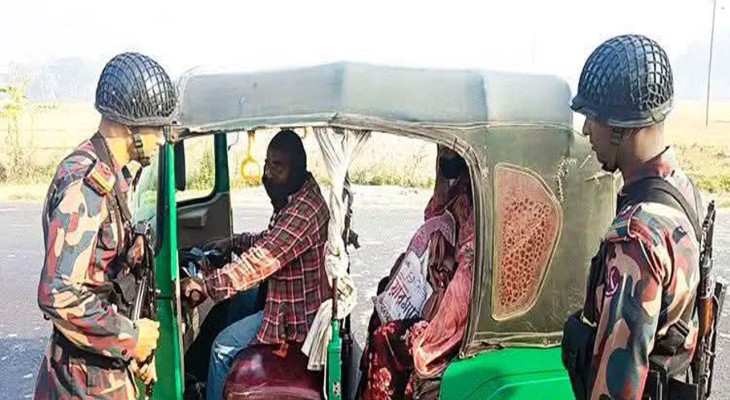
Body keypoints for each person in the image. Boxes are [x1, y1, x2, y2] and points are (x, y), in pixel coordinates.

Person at [562, 34, 704, 400]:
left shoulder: (637, 240)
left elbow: (615, 389)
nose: (586, 130)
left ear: (620, 128)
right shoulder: (683, 190)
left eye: (593, 118)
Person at [33, 52, 177, 400]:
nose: (161, 139)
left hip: (101, 365)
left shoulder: (116, 178)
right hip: (85, 378)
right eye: (155, 128)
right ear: (129, 126)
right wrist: (130, 337)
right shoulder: (87, 184)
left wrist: (134, 351)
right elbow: (58, 293)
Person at [181, 129, 330, 400]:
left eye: (277, 166)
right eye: (267, 164)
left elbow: (262, 260)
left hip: (293, 321)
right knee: (228, 308)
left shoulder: (305, 211)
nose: (268, 173)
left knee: (222, 348)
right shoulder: (296, 197)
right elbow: (272, 239)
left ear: (298, 168)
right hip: (280, 299)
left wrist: (206, 286)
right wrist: (234, 242)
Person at [359, 145, 475, 400]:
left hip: (456, 317)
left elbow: (463, 287)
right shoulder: (462, 189)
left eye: (451, 154)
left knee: (384, 338)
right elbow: (433, 217)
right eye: (442, 154)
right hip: (439, 287)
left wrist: (432, 336)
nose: (445, 160)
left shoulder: (478, 205)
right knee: (383, 296)